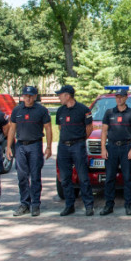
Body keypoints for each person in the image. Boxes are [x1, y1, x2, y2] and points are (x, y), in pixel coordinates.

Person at [7, 85, 52, 216]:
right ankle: (24, 203)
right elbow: (12, 129)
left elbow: (48, 128)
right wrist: (9, 146)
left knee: (35, 176)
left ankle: (36, 204)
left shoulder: (41, 110)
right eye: (26, 96)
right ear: (22, 96)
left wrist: (49, 147)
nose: (28, 98)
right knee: (22, 176)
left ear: (35, 96)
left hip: (35, 145)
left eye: (30, 96)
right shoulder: (17, 110)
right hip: (20, 145)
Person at [99, 87, 131, 215]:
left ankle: (129, 205)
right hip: (111, 147)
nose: (119, 99)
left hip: (126, 147)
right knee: (110, 177)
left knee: (128, 178)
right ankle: (109, 205)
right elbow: (104, 131)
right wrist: (103, 148)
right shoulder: (109, 113)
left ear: (126, 97)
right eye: (117, 97)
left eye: (121, 96)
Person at [55, 84, 94, 216]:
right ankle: (69, 205)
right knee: (65, 178)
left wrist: (80, 140)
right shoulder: (60, 110)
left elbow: (89, 128)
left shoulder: (83, 109)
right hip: (63, 147)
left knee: (83, 177)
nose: (59, 97)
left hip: (78, 145)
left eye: (60, 95)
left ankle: (89, 205)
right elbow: (60, 128)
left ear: (67, 95)